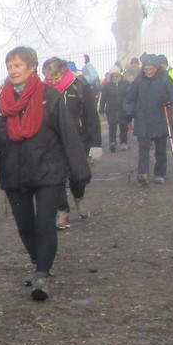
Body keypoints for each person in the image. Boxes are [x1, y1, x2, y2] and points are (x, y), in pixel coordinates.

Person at [0, 47, 91, 302]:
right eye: (10, 66)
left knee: (45, 223)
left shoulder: (51, 98)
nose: (13, 71)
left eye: (18, 65)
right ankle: (37, 262)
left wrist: (79, 172)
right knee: (25, 226)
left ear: (32, 67)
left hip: (48, 173)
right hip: (14, 174)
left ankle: (42, 274)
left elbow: (68, 135)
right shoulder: (0, 103)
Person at [42, 57, 101, 228]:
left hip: (78, 137)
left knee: (77, 174)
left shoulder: (80, 85)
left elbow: (91, 115)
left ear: (64, 71)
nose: (52, 81)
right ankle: (62, 211)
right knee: (57, 175)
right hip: (53, 139)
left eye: (56, 77)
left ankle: (79, 197)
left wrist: (96, 143)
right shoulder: (43, 90)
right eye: (49, 77)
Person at [125, 54, 173, 186]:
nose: (148, 72)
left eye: (151, 69)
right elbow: (131, 98)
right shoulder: (138, 80)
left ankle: (159, 173)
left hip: (160, 117)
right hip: (142, 117)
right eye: (146, 69)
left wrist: (167, 100)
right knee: (143, 148)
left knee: (160, 149)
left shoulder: (165, 78)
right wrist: (129, 111)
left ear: (156, 68)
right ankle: (143, 173)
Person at [98, 66, 129, 152]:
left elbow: (129, 96)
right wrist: (101, 109)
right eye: (113, 76)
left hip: (123, 109)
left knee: (123, 126)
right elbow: (103, 98)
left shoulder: (126, 84)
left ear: (119, 75)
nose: (115, 78)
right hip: (111, 109)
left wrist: (129, 107)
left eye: (116, 75)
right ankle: (112, 142)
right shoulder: (107, 86)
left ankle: (124, 142)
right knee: (112, 126)